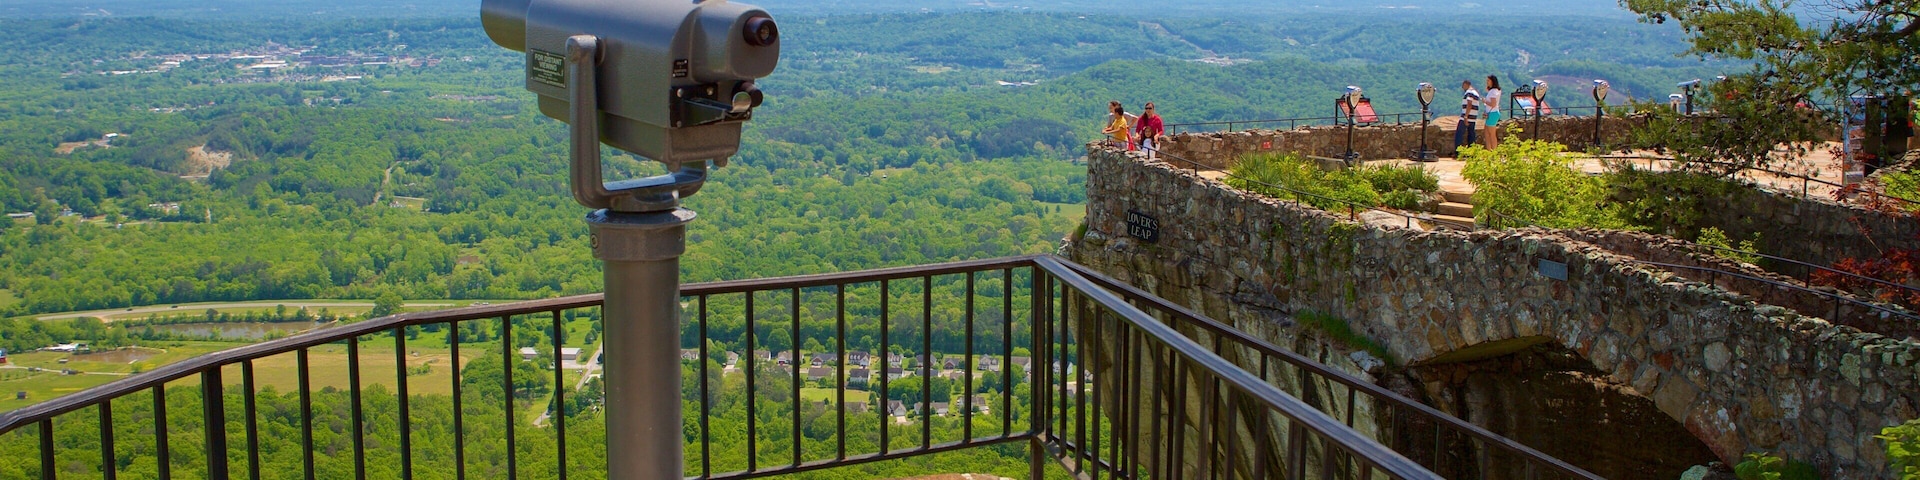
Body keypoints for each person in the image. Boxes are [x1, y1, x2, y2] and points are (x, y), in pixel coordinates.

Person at [1455, 80, 1480, 153]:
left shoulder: (1469, 92)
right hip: (1473, 117)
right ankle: (1471, 152)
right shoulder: (1475, 92)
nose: (1462, 87)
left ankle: (1458, 152)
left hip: (1467, 117)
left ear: (1466, 84)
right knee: (1471, 135)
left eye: (1463, 85)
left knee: (1459, 134)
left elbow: (1469, 103)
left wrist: (1466, 116)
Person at [1481, 75, 1502, 149]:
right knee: (1487, 133)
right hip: (1493, 113)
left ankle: (1493, 151)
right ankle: (1489, 149)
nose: (1487, 82)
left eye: (1488, 81)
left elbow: (1493, 104)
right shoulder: (1496, 90)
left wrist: (1485, 101)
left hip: (1492, 113)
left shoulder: (1493, 92)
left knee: (1491, 134)